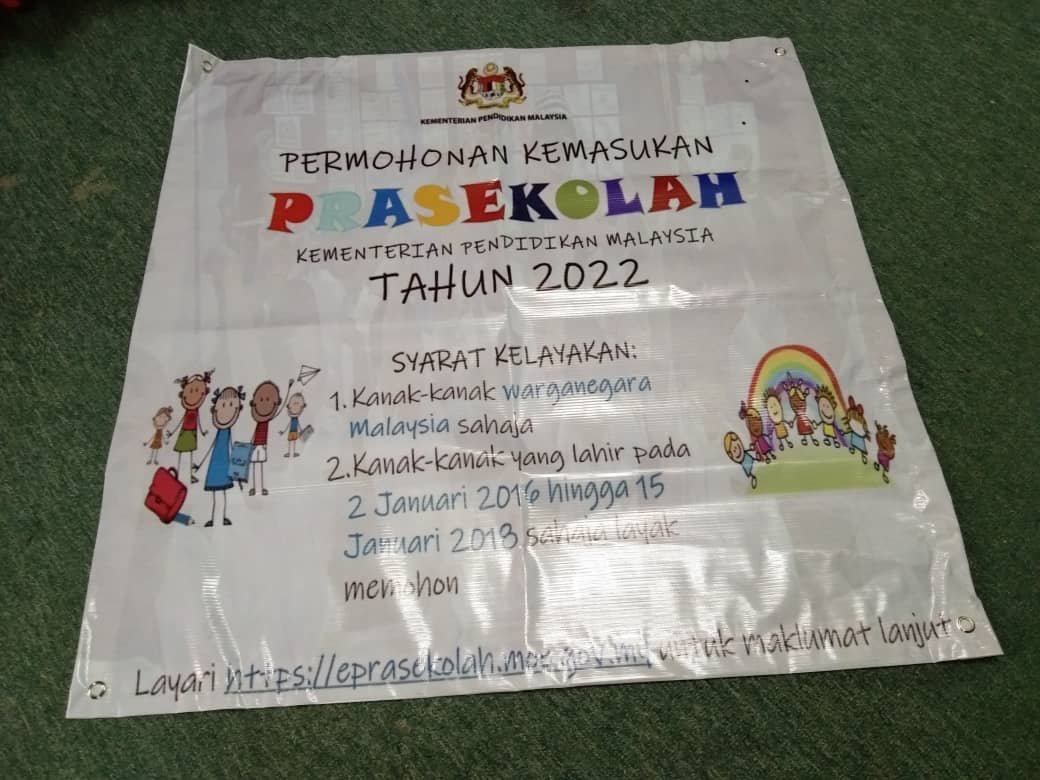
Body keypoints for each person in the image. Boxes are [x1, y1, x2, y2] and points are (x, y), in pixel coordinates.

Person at [194, 386, 244, 527]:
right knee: (217, 493)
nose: (225, 410)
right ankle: (217, 518)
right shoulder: (220, 431)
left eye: (230, 405)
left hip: (223, 465)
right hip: (215, 465)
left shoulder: (229, 432)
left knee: (220, 493)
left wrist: (238, 472)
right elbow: (212, 446)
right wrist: (200, 465)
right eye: (222, 405)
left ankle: (220, 517)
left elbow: (233, 448)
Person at [167, 370, 213, 482]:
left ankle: (189, 474)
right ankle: (179, 474)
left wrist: (202, 432)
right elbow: (181, 421)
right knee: (182, 453)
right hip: (184, 432)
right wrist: (172, 432)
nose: (194, 394)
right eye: (191, 391)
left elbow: (199, 421)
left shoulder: (196, 410)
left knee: (190, 453)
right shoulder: (188, 410)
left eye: (198, 391)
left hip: (192, 432)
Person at [247, 379, 290, 496]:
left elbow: (280, 410)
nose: (264, 403)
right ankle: (255, 488)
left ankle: (260, 488)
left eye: (268, 400)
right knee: (256, 466)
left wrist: (288, 389)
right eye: (261, 400)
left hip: (262, 446)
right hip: (256, 445)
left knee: (260, 466)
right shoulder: (258, 420)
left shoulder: (268, 420)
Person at [281, 392, 307, 457]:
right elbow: (288, 425)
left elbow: (298, 425)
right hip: (291, 431)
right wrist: (283, 432)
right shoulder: (292, 418)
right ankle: (289, 452)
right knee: (290, 441)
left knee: (294, 441)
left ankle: (293, 452)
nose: (295, 407)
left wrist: (302, 430)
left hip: (295, 431)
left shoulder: (296, 418)